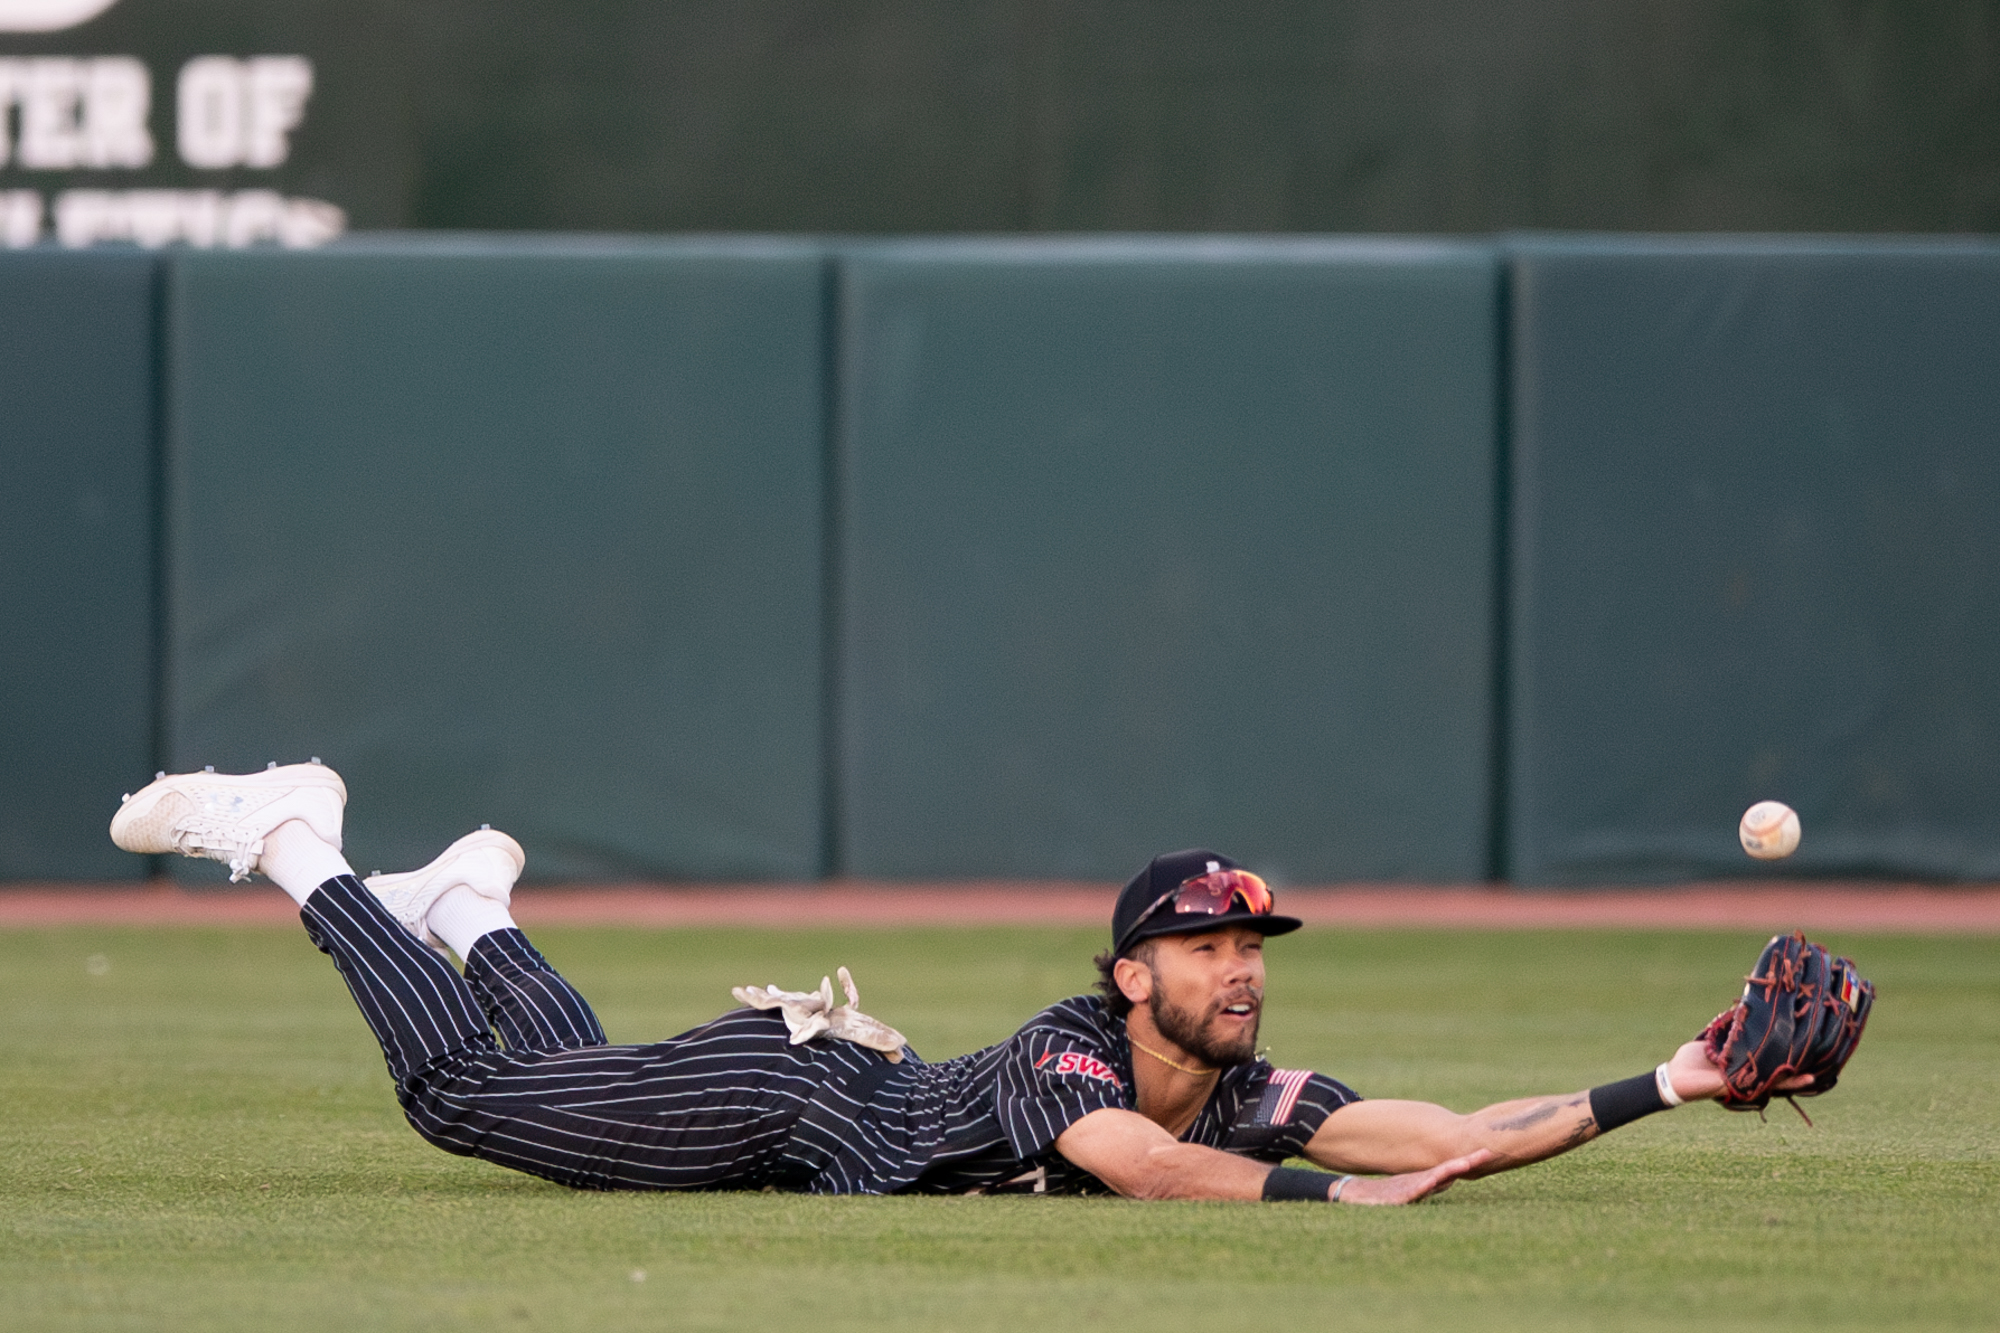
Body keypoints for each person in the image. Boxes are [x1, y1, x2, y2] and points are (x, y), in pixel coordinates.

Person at [110, 762, 1796, 1204]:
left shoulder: (1242, 1084)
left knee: (560, 1079)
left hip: (791, 1114)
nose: (1237, 971)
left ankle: (471, 915)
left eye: (1249, 949)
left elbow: (1441, 1129)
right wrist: (1319, 1208)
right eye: (1206, 946)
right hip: (787, 1096)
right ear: (1131, 971)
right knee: (465, 1102)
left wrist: (1666, 1083)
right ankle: (297, 842)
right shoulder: (1081, 1054)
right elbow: (1132, 1167)